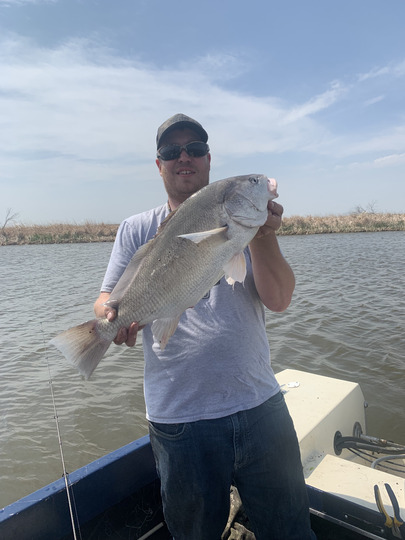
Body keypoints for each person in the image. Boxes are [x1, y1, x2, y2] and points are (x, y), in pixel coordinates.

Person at [94, 114, 315, 540]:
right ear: (158, 165)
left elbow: (280, 300)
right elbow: (107, 297)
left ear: (209, 160)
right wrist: (109, 320)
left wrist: (263, 235)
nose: (184, 157)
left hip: (258, 405)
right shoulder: (136, 229)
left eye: (194, 148)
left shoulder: (248, 227)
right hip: (180, 418)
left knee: (291, 531)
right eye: (171, 151)